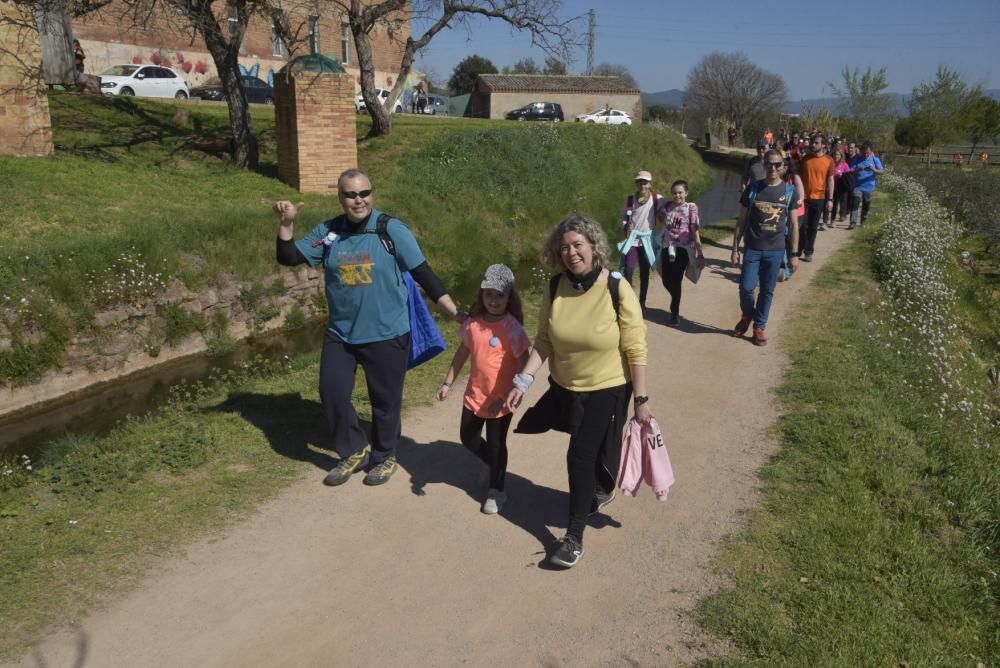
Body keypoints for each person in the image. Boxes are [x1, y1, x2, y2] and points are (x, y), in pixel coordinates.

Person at [273, 168, 465, 487]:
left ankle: (384, 455)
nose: (358, 200)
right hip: (342, 333)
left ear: (371, 194)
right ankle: (353, 449)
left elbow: (423, 273)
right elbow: (289, 256)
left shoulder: (390, 230)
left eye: (364, 193)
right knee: (331, 392)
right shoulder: (332, 232)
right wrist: (287, 224)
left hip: (387, 332)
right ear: (340, 197)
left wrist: (454, 311)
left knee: (385, 402)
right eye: (350, 194)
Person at [505, 214, 652, 569]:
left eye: (578, 245)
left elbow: (635, 345)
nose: (571, 253)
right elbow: (544, 340)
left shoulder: (616, 287)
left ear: (594, 247)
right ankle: (602, 487)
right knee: (597, 447)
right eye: (564, 247)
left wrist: (642, 399)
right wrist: (523, 380)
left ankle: (573, 537)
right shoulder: (556, 287)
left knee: (579, 454)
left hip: (609, 386)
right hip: (567, 387)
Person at [437, 264, 530, 514]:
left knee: (497, 443)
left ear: (510, 297)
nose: (494, 300)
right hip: (474, 396)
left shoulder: (514, 329)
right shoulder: (473, 325)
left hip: (501, 399)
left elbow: (525, 367)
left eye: (500, 295)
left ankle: (497, 489)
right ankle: (492, 463)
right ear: (481, 295)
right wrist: (448, 382)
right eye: (488, 294)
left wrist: (507, 397)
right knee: (467, 437)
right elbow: (462, 354)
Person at [730, 149, 800, 346]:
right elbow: (741, 220)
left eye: (777, 165)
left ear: (783, 167)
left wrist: (794, 254)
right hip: (752, 248)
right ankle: (747, 315)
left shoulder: (789, 192)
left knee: (767, 291)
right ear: (764, 165)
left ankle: (759, 327)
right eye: (769, 164)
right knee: (746, 287)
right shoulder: (753, 188)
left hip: (776, 250)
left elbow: (794, 225)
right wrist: (735, 249)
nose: (773, 168)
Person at [657, 179, 704, 324]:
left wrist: (700, 254)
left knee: (676, 280)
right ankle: (675, 297)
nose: (677, 196)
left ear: (686, 193)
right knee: (665, 279)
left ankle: (675, 313)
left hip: (683, 249)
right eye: (675, 193)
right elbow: (658, 218)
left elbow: (695, 233)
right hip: (667, 246)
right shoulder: (667, 207)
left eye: (680, 193)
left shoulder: (690, 209)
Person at [620, 170, 659, 312]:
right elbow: (623, 216)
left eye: (645, 182)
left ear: (650, 184)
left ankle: (642, 302)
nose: (642, 185)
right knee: (628, 271)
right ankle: (629, 301)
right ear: (636, 184)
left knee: (644, 273)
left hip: (647, 242)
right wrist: (625, 226)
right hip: (632, 241)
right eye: (640, 182)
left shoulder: (657, 199)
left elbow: (672, 207)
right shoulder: (630, 200)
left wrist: (691, 206)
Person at [796, 134, 834, 260]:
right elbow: (798, 177)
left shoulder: (829, 160)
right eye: (812, 142)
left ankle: (808, 251)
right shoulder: (806, 159)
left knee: (813, 226)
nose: (813, 144)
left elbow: (830, 180)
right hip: (804, 198)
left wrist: (830, 199)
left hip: (819, 198)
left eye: (816, 143)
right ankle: (798, 248)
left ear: (823, 145)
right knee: (802, 225)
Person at [848, 142, 884, 228]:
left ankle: (863, 221)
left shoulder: (875, 159)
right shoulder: (856, 159)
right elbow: (850, 171)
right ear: (861, 151)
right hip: (857, 186)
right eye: (864, 152)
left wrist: (874, 170)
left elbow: (882, 171)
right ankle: (852, 222)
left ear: (871, 151)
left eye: (868, 152)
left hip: (869, 186)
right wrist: (857, 170)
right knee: (855, 202)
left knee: (866, 204)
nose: (866, 154)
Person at [830, 149, 852, 225]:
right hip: (833, 187)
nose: (836, 156)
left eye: (838, 155)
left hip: (842, 186)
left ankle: (842, 215)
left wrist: (843, 175)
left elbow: (848, 175)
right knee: (834, 204)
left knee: (843, 202)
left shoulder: (844, 164)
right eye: (835, 155)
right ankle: (832, 220)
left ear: (841, 156)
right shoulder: (830, 164)